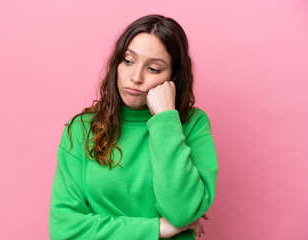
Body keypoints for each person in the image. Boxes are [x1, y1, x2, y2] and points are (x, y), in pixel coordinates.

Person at [49, 14, 218, 240]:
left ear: (174, 75)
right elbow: (64, 229)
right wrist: (155, 229)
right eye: (128, 61)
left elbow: (182, 212)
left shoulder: (193, 124)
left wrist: (166, 119)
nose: (135, 77)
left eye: (154, 69)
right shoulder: (82, 129)